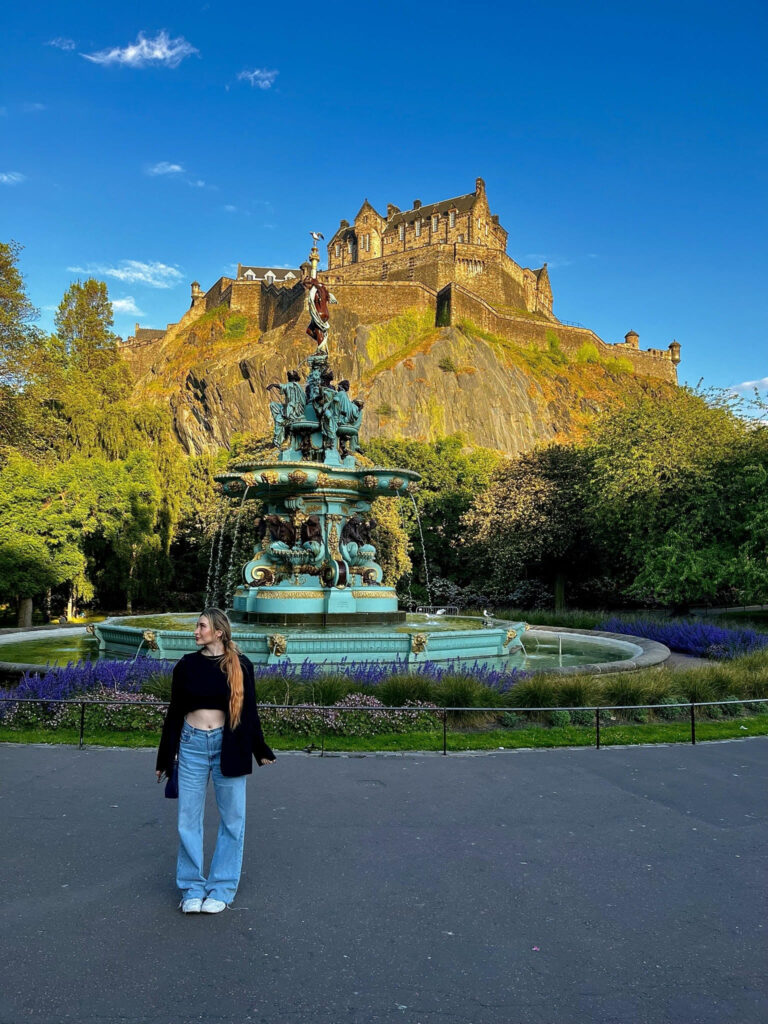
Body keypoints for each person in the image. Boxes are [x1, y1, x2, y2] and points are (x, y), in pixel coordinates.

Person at [156, 607, 275, 914]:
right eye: (197, 626)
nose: (195, 631)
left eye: (201, 626)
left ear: (218, 632)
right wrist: (165, 757)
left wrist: (260, 749)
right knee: (188, 821)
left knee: (233, 820)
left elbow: (249, 713)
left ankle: (221, 888)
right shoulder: (186, 666)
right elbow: (173, 714)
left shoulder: (241, 665)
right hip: (192, 745)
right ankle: (192, 887)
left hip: (229, 745)